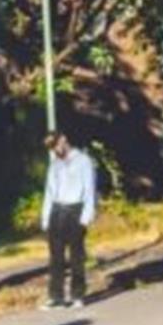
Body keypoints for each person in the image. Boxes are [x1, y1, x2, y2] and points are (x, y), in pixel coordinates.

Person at [39, 131, 97, 310]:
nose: (55, 150)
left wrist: (86, 216)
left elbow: (90, 190)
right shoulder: (55, 164)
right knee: (56, 256)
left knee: (76, 256)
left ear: (64, 140)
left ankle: (77, 295)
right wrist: (46, 217)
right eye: (51, 148)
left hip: (75, 210)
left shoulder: (83, 161)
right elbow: (49, 192)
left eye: (56, 145)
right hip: (57, 211)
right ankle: (56, 297)